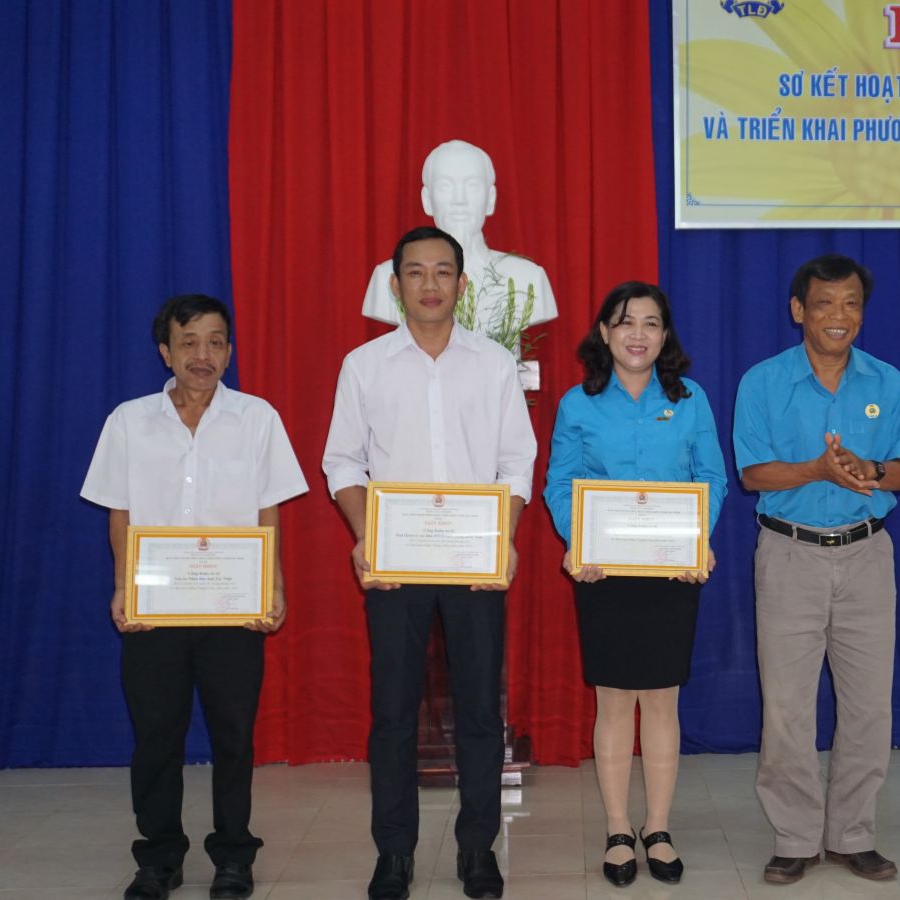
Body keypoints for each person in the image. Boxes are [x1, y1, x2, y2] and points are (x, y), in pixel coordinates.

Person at [322, 226, 536, 900]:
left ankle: (478, 849)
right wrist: (368, 537)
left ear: (462, 284)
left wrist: (503, 538)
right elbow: (342, 461)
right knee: (392, 712)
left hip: (474, 563)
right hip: (396, 563)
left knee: (480, 713)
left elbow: (517, 462)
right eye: (415, 272)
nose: (430, 284)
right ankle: (394, 853)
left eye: (444, 271)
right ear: (396, 286)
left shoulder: (493, 365)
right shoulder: (365, 365)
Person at [80, 294, 307, 900]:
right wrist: (123, 587)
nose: (202, 355)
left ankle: (234, 855)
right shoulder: (128, 421)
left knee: (234, 735)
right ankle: (159, 857)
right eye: (189, 342)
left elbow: (268, 509)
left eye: (215, 342)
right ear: (166, 351)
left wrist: (274, 586)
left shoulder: (257, 418)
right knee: (157, 736)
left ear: (229, 351)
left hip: (235, 608)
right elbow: (119, 512)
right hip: (155, 609)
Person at [732, 254, 900, 885]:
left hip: (867, 556)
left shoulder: (889, 384)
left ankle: (852, 834)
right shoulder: (762, 383)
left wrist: (870, 470)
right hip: (789, 555)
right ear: (799, 310)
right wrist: (817, 470)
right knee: (787, 707)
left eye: (851, 304)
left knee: (868, 705)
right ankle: (794, 837)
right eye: (824, 303)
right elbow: (753, 474)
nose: (839, 317)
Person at [543, 281, 727, 888]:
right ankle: (619, 828)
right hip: (604, 571)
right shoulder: (578, 403)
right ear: (604, 332)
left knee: (663, 700)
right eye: (625, 322)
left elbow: (712, 477)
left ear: (665, 334)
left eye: (650, 323)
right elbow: (560, 482)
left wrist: (697, 540)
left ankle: (659, 827)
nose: (638, 334)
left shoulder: (690, 399)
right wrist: (579, 542)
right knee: (615, 699)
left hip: (672, 569)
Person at [361, 140, 558, 333]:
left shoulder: (528, 278)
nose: (459, 200)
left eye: (472, 186)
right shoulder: (387, 276)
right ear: (427, 200)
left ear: (490, 199)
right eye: (445, 186)